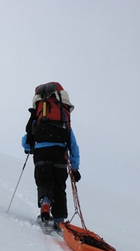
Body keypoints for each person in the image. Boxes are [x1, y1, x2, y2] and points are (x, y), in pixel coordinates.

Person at [22, 82, 81, 230]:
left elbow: (26, 141)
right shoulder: (64, 121)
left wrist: (30, 148)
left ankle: (46, 203)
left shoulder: (38, 119)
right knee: (59, 186)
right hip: (60, 153)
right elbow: (73, 146)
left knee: (44, 181)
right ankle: (59, 219)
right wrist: (74, 168)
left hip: (41, 153)